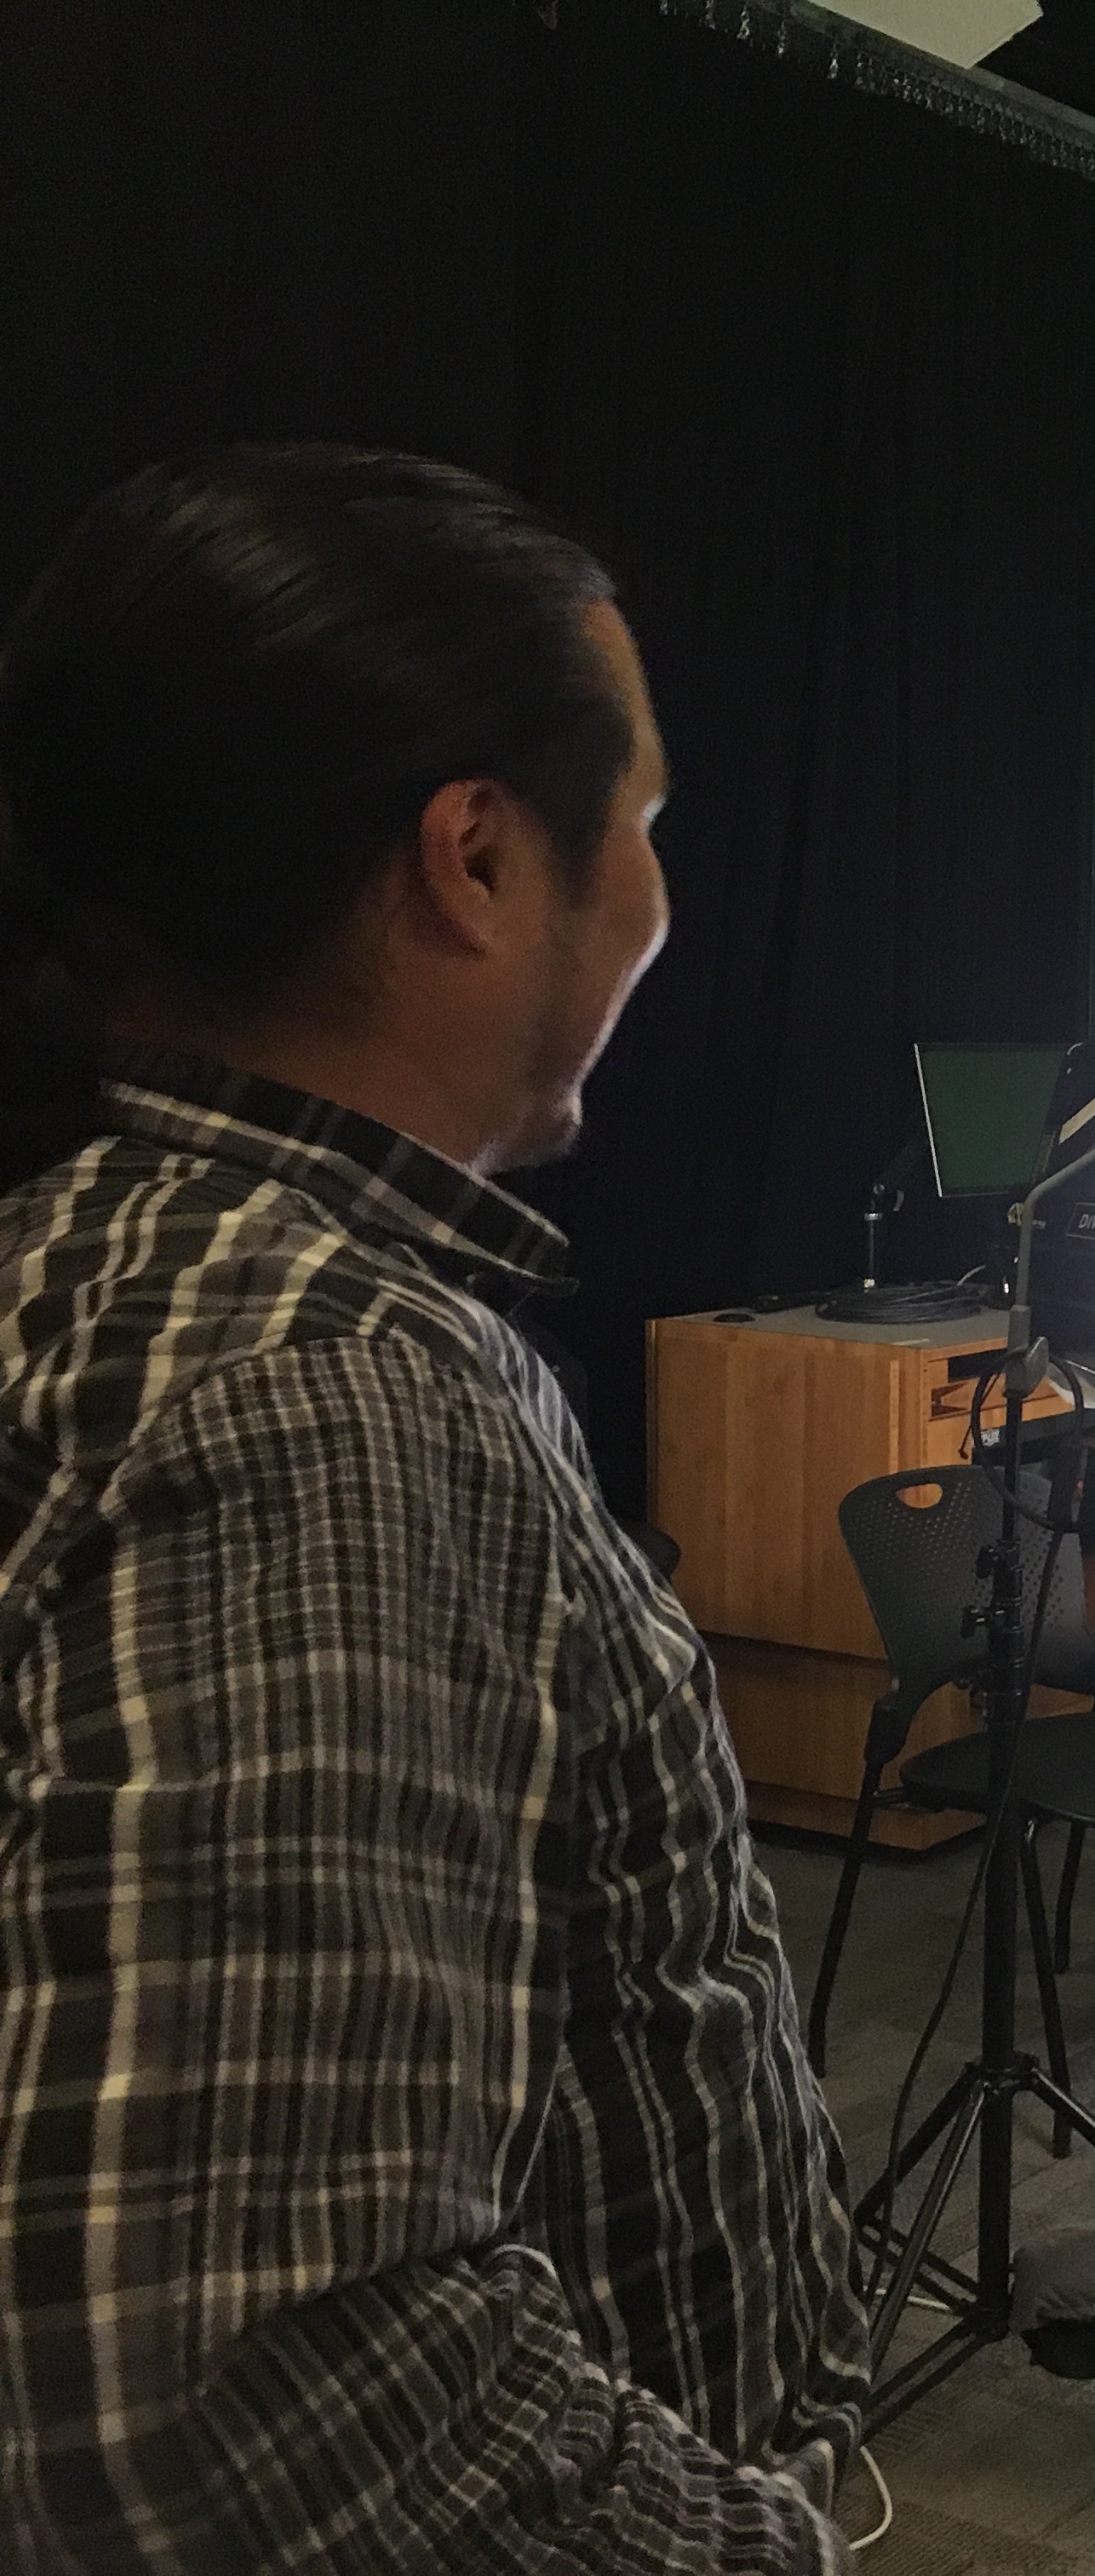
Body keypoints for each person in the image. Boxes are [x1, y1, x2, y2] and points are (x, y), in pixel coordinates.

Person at [0, 450, 868, 2569]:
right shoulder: (323, 1395)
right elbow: (241, 2386)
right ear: (474, 858)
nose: (661, 898)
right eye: (644, 827)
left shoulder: (104, 1257)